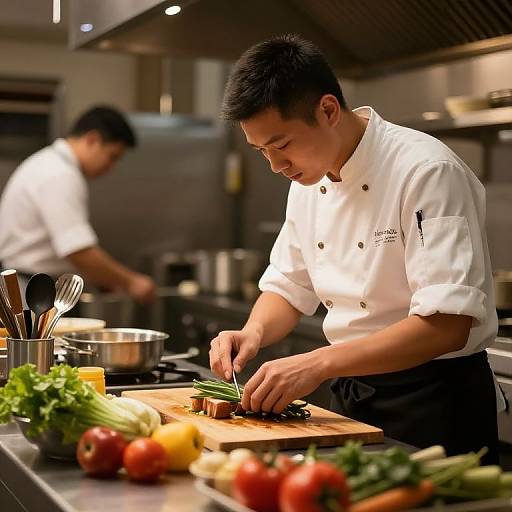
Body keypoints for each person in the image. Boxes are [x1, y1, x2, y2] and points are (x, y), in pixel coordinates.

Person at [209, 35, 504, 463]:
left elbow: (447, 324)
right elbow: (289, 285)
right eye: (261, 152)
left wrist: (319, 363)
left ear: (328, 110)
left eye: (282, 144)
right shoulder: (308, 181)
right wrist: (252, 333)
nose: (276, 166)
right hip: (351, 398)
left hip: (434, 402)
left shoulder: (426, 170)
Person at [0, 105, 156, 303]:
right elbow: (78, 251)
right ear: (92, 140)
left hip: (28, 286)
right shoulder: (60, 174)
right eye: (112, 156)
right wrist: (132, 282)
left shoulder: (49, 163)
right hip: (29, 293)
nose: (111, 167)